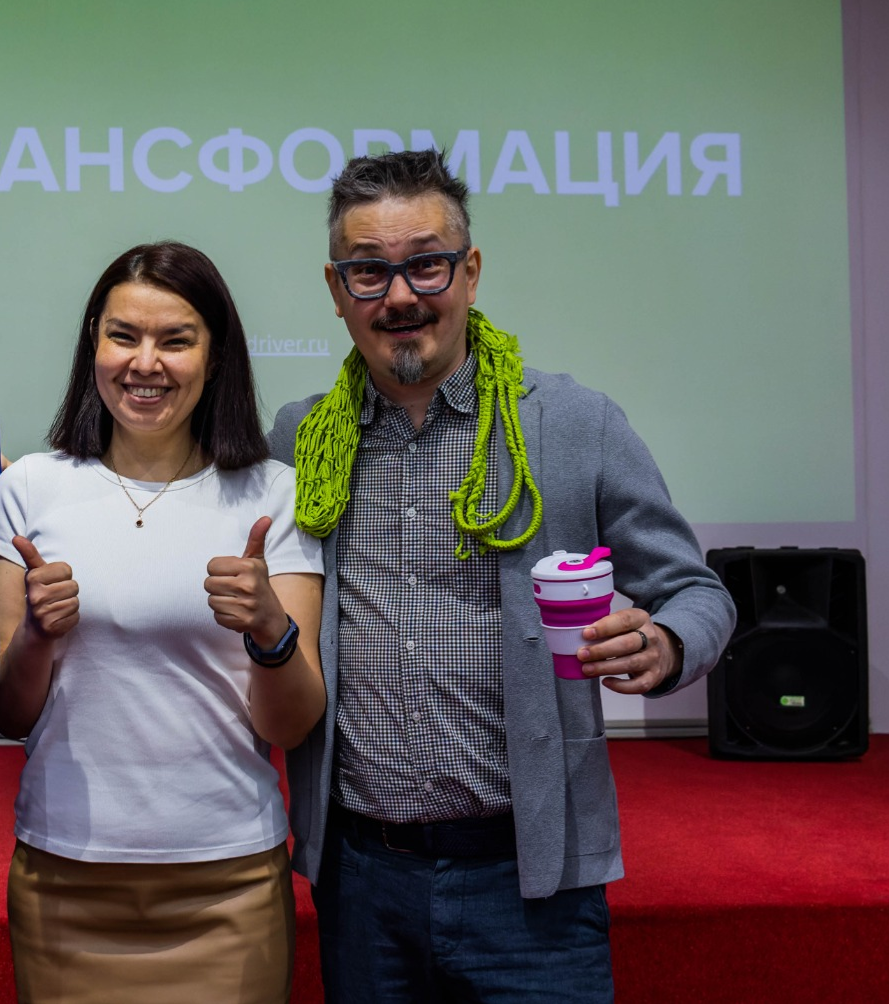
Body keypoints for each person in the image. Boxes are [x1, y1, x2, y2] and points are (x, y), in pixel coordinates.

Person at [267, 150, 736, 1003]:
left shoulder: (571, 425)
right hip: (363, 882)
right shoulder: (303, 441)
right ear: (336, 289)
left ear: (471, 271)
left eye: (427, 264)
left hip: (531, 885)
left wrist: (667, 642)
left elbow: (697, 592)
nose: (400, 297)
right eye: (369, 271)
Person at [0, 241, 326, 1004]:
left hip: (229, 883)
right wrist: (37, 637)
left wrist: (270, 631)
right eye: (124, 336)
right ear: (94, 344)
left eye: (176, 340)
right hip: (64, 879)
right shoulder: (29, 488)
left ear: (215, 356)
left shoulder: (272, 494)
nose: (146, 363)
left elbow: (292, 724)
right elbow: (10, 713)